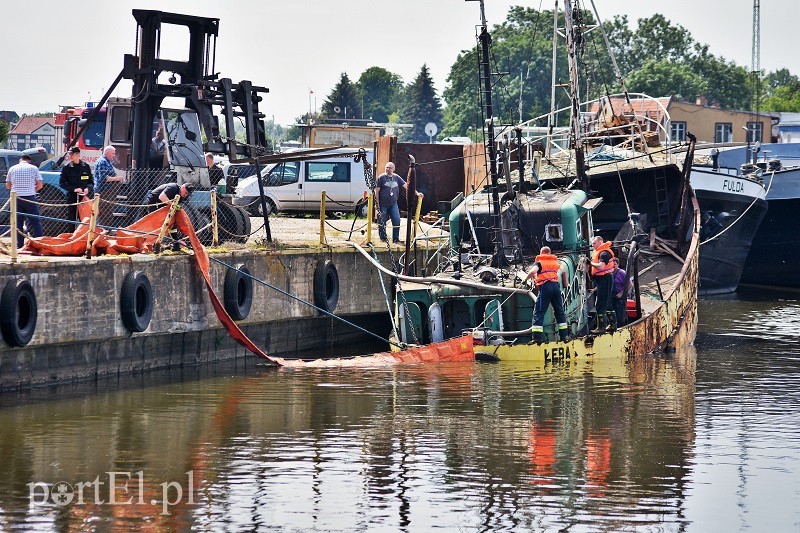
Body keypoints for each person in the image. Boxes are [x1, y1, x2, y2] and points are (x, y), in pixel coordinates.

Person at [525, 246, 569, 342]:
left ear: (541, 253)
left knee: (539, 312)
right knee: (559, 311)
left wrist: (525, 279)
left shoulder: (539, 262)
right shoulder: (555, 262)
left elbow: (532, 272)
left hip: (545, 287)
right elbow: (550, 272)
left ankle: (537, 338)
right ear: (549, 253)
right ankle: (564, 336)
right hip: (555, 287)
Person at [6, 154, 43, 248]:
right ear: (29, 161)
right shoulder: (34, 168)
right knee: (35, 221)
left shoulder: (12, 169)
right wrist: (32, 190)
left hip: (16, 198)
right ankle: (38, 244)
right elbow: (40, 185)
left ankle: (19, 246)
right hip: (30, 198)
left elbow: (8, 186)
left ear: (20, 160)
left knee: (18, 222)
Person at [374, 162, 416, 244]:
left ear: (393, 169)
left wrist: (417, 193)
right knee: (382, 222)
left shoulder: (396, 177)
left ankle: (395, 239)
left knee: (396, 220)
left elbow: (407, 186)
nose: (387, 169)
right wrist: (377, 203)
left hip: (393, 204)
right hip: (383, 205)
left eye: (389, 168)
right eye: (386, 167)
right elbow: (376, 191)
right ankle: (383, 238)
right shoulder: (381, 177)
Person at [145, 182, 196, 251]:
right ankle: (155, 245)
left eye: (188, 194)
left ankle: (176, 245)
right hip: (154, 202)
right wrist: (173, 204)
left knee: (173, 223)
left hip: (164, 204)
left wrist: (174, 206)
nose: (186, 195)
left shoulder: (181, 197)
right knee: (156, 223)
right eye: (186, 193)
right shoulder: (173, 187)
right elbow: (161, 197)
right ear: (183, 187)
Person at [59, 147, 93, 227]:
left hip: (84, 198)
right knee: (72, 221)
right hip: (72, 198)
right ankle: (72, 234)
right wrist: (74, 189)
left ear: (78, 154)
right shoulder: (66, 168)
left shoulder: (85, 166)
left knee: (85, 221)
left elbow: (91, 182)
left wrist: (87, 188)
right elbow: (62, 183)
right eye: (69, 154)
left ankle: (84, 235)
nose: (70, 156)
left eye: (72, 154)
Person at [589, 235, 615, 334]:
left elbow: (601, 266)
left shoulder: (604, 253)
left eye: (594, 243)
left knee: (600, 304)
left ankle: (601, 327)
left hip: (605, 278)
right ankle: (612, 324)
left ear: (600, 242)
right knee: (607, 303)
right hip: (601, 279)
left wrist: (590, 263)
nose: (593, 245)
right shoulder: (597, 252)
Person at [94, 146, 122, 226]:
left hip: (108, 191)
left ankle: (107, 229)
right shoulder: (103, 162)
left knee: (108, 212)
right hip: (104, 191)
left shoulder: (107, 162)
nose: (114, 155)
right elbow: (103, 178)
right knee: (105, 213)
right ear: (107, 153)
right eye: (113, 153)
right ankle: (104, 229)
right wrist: (116, 178)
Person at [610, 257, 631, 327]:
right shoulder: (609, 273)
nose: (613, 266)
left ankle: (621, 326)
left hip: (620, 298)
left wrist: (621, 293)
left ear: (618, 264)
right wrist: (594, 289)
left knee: (620, 314)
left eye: (614, 264)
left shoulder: (622, 273)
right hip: (612, 297)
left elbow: (630, 285)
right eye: (611, 264)